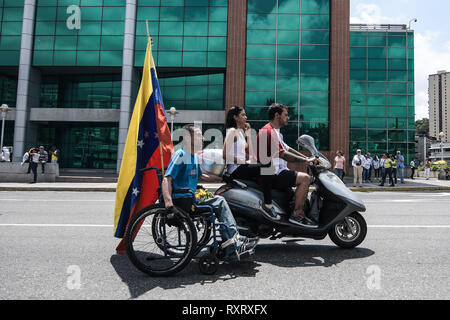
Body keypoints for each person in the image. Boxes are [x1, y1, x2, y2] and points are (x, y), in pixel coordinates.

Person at [162, 124, 258, 260]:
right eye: (199, 135)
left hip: (192, 197)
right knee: (220, 201)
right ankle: (233, 242)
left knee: (218, 197)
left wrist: (222, 178)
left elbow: (201, 176)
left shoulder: (193, 156)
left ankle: (231, 238)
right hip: (183, 199)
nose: (203, 138)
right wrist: (169, 204)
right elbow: (167, 179)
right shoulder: (181, 155)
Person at [257, 103, 318, 228]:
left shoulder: (276, 133)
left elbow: (287, 148)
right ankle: (297, 215)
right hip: (273, 174)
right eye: (285, 115)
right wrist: (305, 161)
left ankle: (294, 210)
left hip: (279, 171)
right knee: (305, 178)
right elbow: (283, 154)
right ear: (277, 115)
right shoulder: (268, 132)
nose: (288, 118)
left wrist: (307, 157)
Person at [223, 106, 280, 221]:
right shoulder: (232, 132)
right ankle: (268, 205)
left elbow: (248, 151)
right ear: (235, 117)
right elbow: (225, 154)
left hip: (241, 166)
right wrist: (242, 162)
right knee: (267, 167)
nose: (246, 117)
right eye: (243, 115)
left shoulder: (239, 132)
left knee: (267, 166)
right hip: (235, 169)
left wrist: (248, 134)